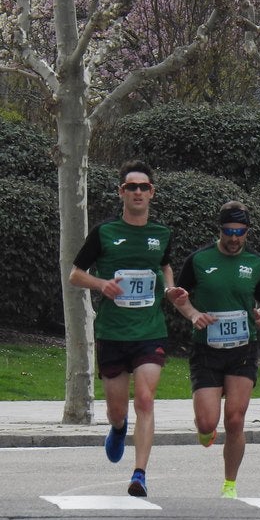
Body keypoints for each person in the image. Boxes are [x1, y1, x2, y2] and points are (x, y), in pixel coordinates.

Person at [69, 160, 175, 497]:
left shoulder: (161, 235)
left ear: (152, 192)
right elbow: (75, 274)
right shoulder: (105, 233)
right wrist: (101, 284)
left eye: (144, 187)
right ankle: (118, 426)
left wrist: (171, 290)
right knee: (118, 409)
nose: (139, 192)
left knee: (145, 399)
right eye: (132, 187)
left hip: (149, 330)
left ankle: (140, 474)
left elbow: (165, 265)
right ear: (122, 192)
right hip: (113, 333)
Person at [168, 201, 260, 499]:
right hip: (207, 349)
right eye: (229, 231)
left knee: (236, 419)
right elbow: (179, 297)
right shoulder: (199, 260)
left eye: (240, 232)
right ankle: (206, 431)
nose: (234, 238)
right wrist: (193, 314)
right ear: (220, 230)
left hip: (243, 348)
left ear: (247, 232)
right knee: (206, 423)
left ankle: (230, 484)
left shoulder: (257, 263)